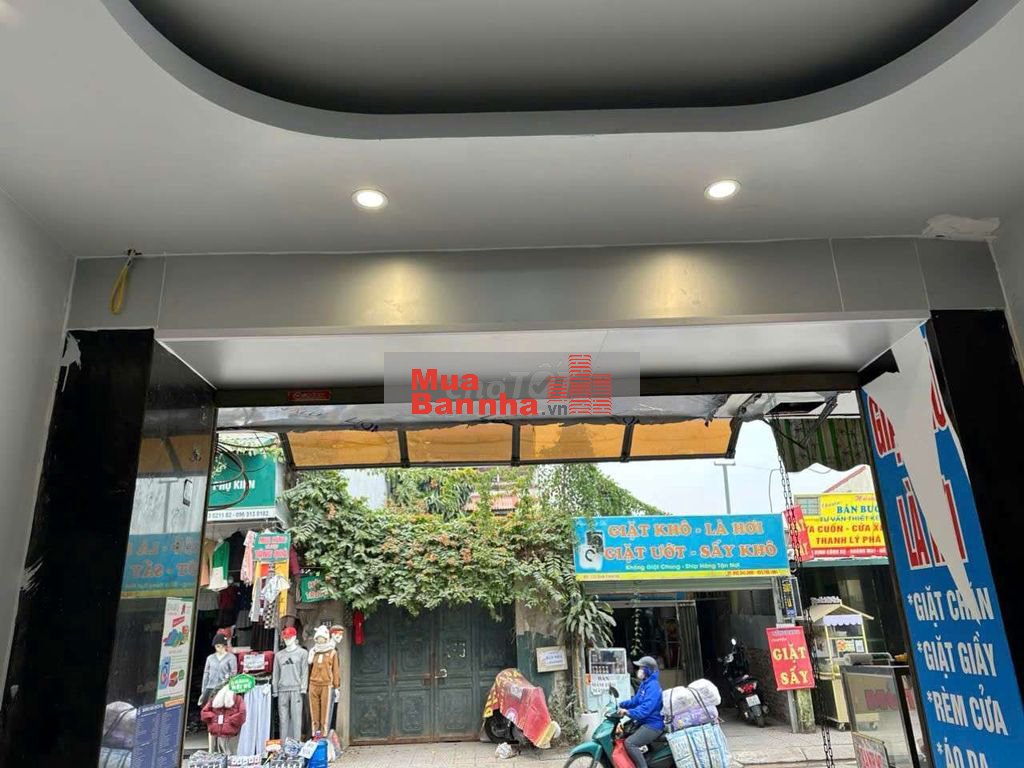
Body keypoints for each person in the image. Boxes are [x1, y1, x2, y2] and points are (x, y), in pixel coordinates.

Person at [618, 656, 664, 768]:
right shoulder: (645, 684)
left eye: (641, 668)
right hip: (645, 722)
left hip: (653, 725)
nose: (639, 670)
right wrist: (621, 704)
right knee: (625, 733)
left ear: (648, 670)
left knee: (630, 743)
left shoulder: (653, 686)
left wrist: (628, 712)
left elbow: (645, 710)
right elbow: (636, 700)